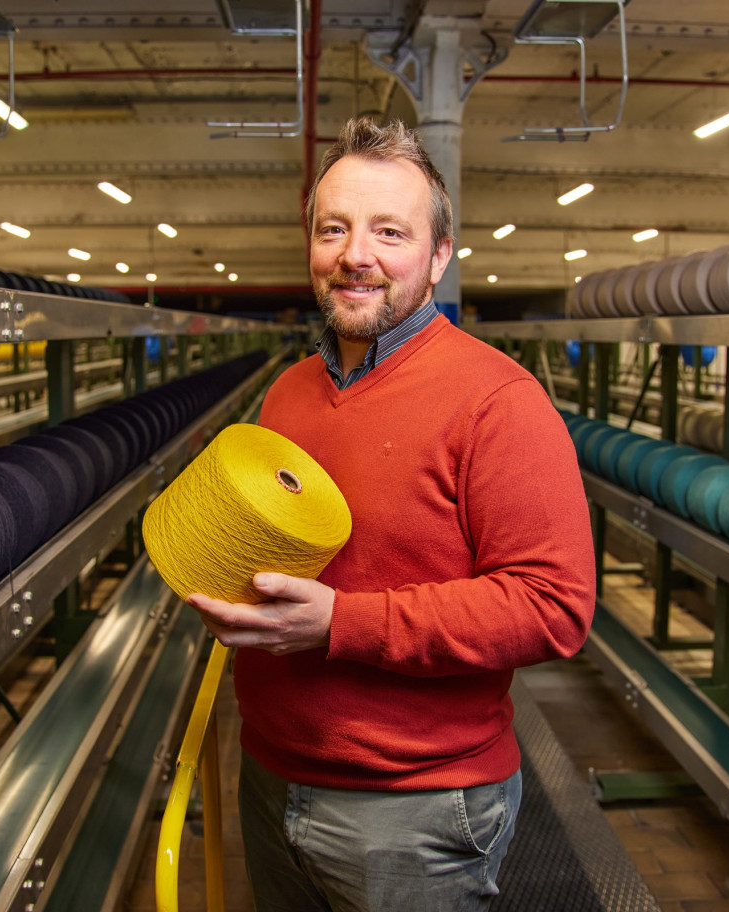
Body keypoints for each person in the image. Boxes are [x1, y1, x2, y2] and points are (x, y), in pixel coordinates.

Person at [187, 117, 596, 911]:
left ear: (440, 255)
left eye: (389, 232)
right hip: (271, 774)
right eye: (333, 228)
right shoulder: (290, 391)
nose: (356, 256)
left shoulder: (498, 401)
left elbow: (554, 608)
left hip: (413, 808)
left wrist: (341, 624)